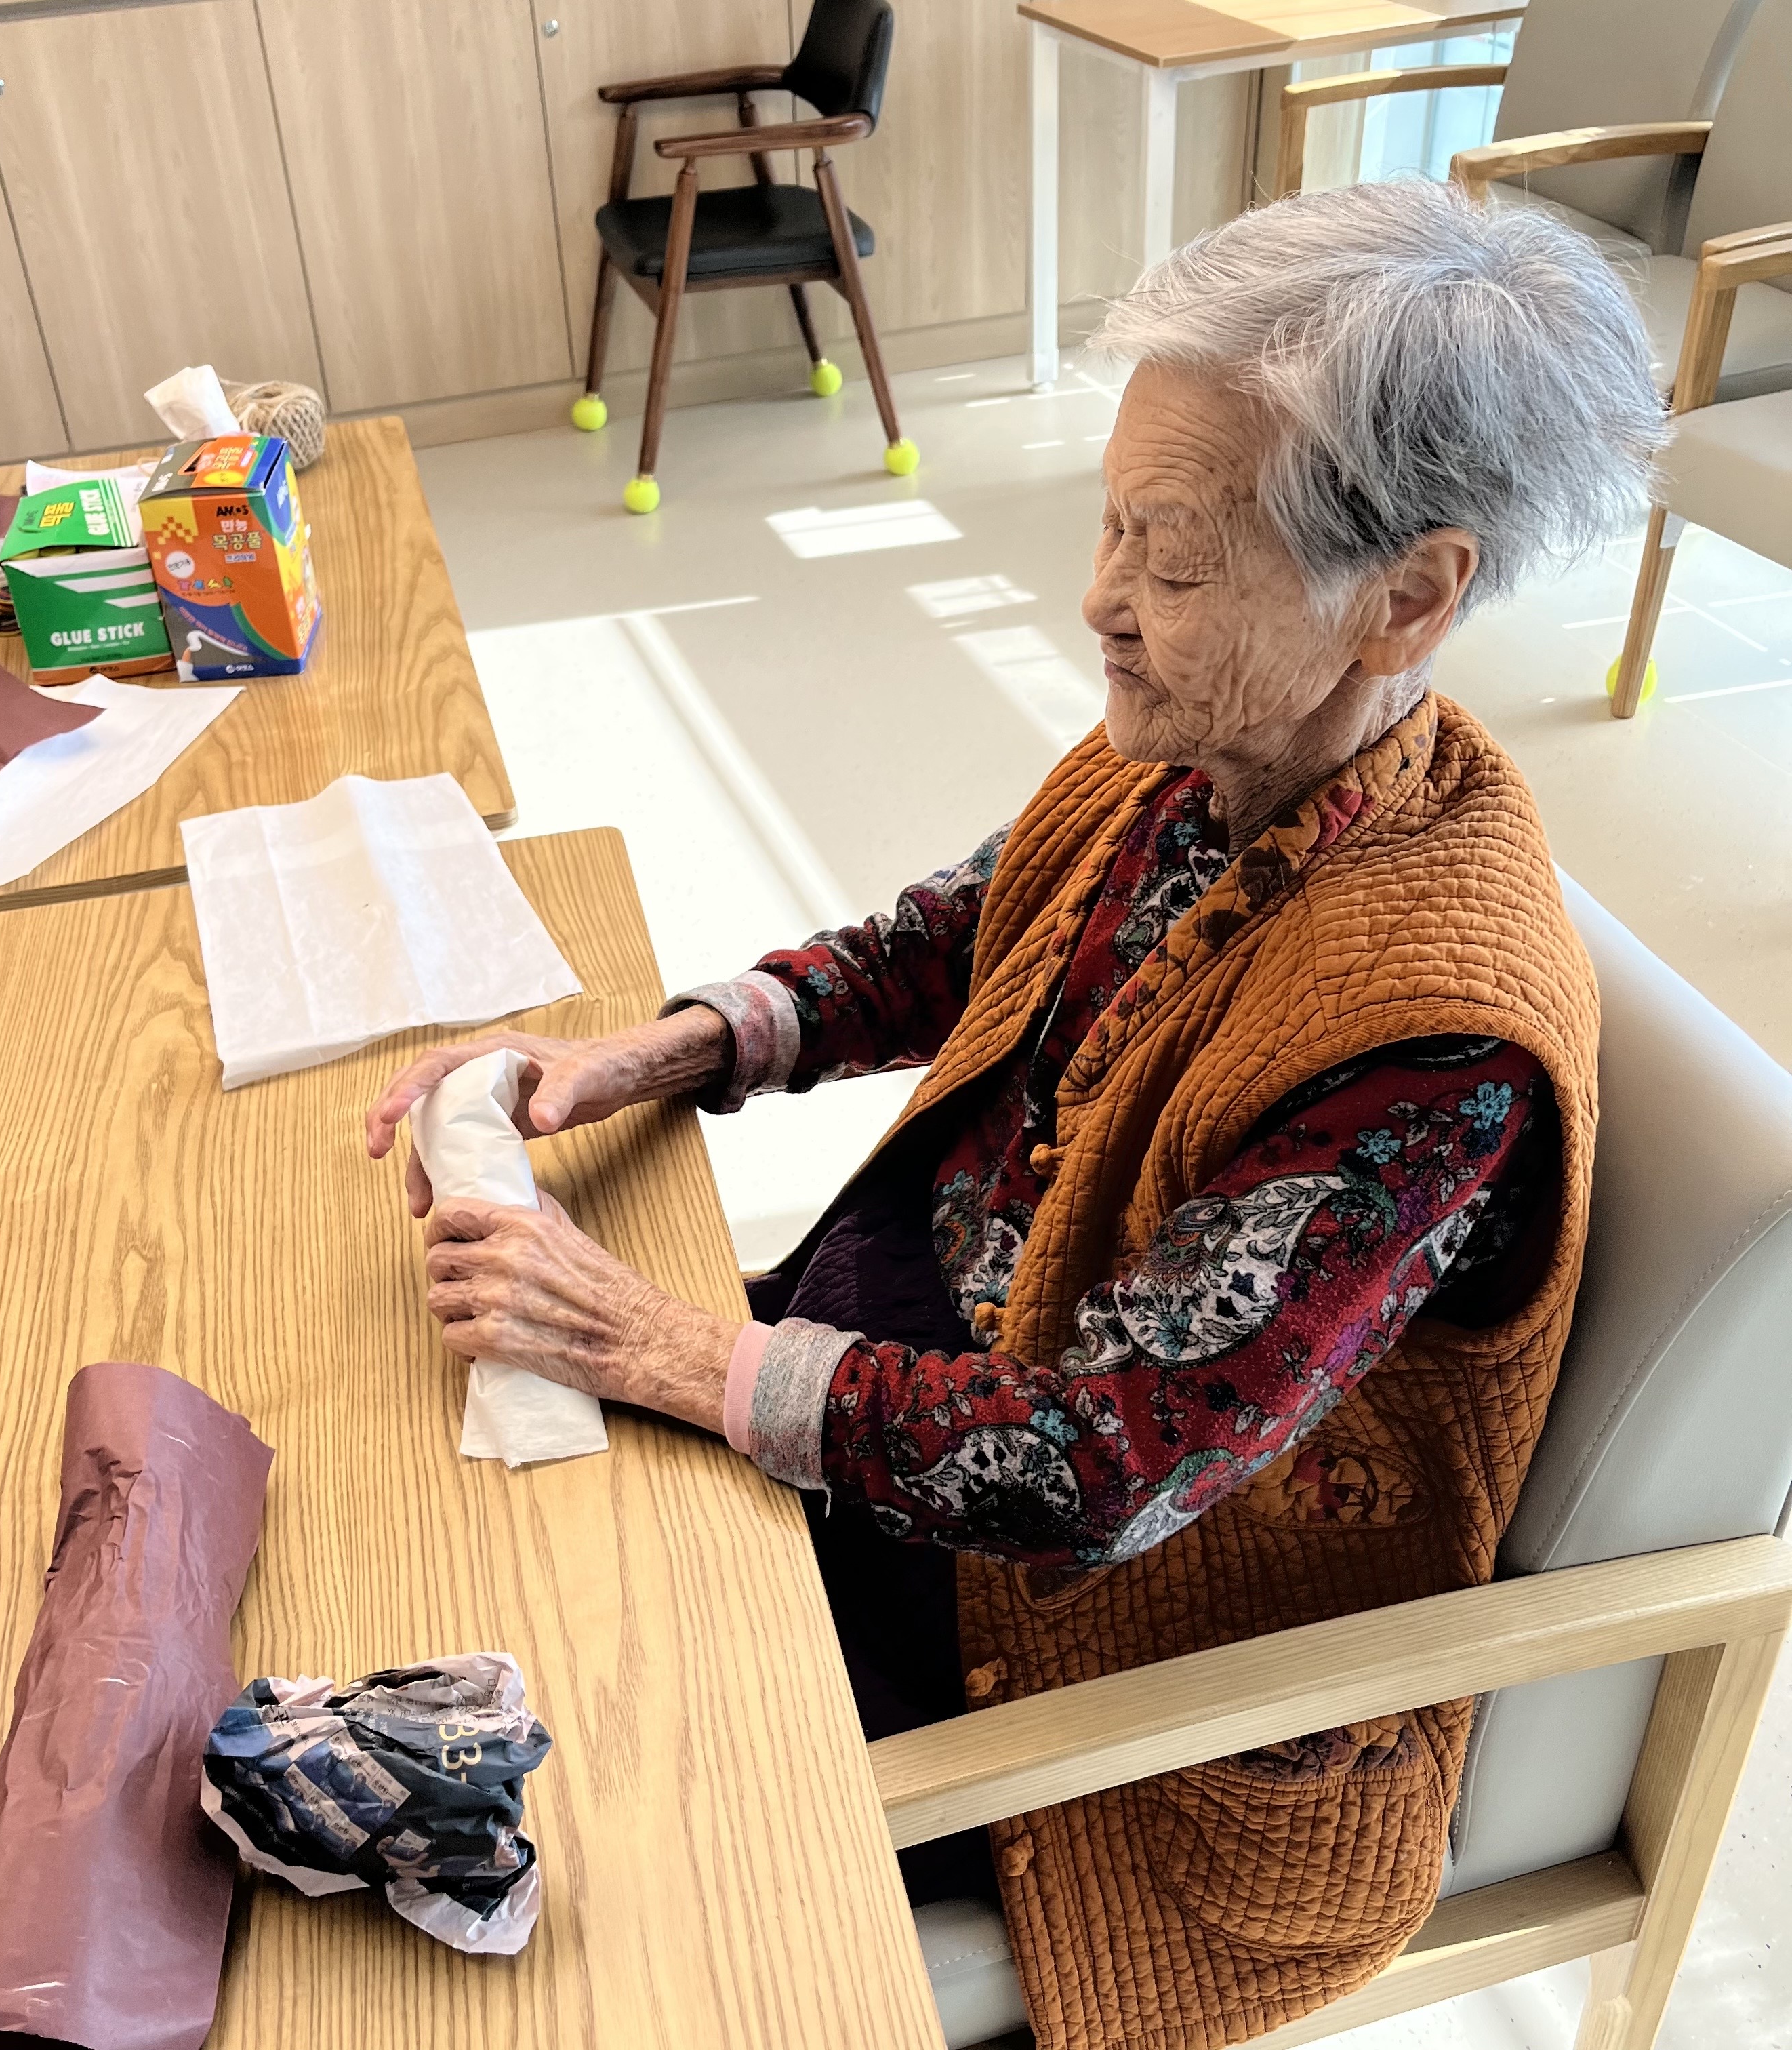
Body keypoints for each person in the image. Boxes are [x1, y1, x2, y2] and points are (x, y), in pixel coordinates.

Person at [365, 178, 1663, 2050]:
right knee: (425, 1543)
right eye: (1111, 524)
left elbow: (1106, 1467)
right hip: (871, 1416)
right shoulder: (1208, 749)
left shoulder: (1432, 1051)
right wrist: (646, 1056)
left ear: (1409, 596)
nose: (1101, 602)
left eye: (1176, 560)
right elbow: (952, 940)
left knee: (552, 1890)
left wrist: (660, 1345)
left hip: (1078, 1657)